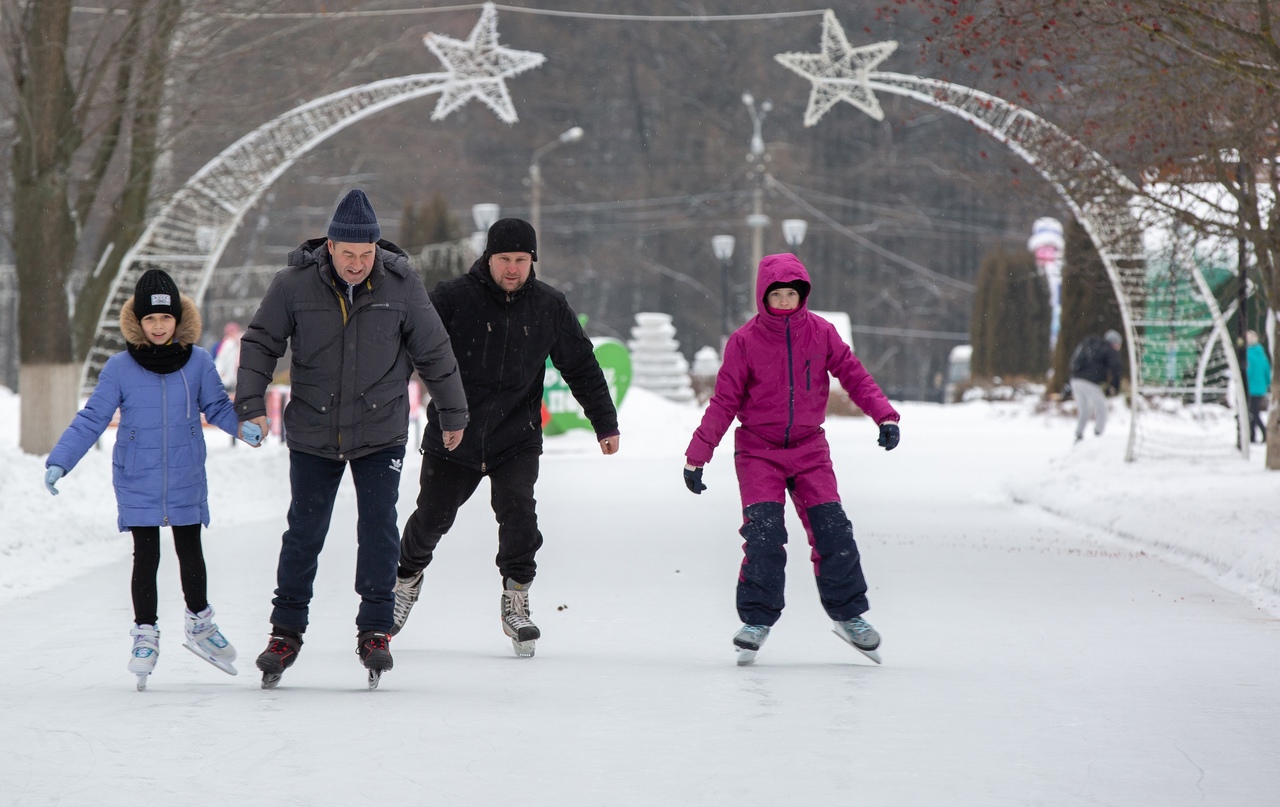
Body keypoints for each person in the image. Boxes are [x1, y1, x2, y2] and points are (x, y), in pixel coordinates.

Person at [234, 188, 468, 688]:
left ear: (376, 249)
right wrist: (251, 405)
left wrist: (453, 414)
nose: (358, 264)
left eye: (366, 254)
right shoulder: (293, 285)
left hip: (380, 430)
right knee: (304, 531)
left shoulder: (403, 286)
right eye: (349, 254)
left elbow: (435, 351)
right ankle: (286, 632)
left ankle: (375, 629)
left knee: (379, 529)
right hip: (314, 430)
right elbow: (260, 342)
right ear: (331, 248)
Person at [391, 217, 620, 658]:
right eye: (504, 259)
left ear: (532, 261)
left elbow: (581, 366)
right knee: (431, 519)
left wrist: (604, 423)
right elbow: (412, 348)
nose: (512, 269)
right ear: (488, 259)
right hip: (455, 433)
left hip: (517, 435)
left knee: (519, 516)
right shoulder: (454, 298)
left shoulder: (549, 306)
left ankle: (516, 599)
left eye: (521, 260)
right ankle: (404, 580)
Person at [682, 253, 900, 666]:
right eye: (777, 295)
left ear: (803, 295)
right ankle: (756, 622)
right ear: (764, 297)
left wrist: (884, 415)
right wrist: (698, 456)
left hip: (809, 449)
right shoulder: (745, 341)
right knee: (764, 535)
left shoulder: (820, 333)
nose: (784, 302)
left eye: (791, 295)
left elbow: (853, 374)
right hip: (758, 451)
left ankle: (849, 616)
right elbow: (724, 402)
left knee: (834, 530)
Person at [45, 269, 248, 690]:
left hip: (186, 473)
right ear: (139, 321)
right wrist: (62, 459)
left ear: (177, 319)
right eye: (150, 319)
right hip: (137, 475)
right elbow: (92, 419)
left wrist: (244, 427)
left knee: (191, 551)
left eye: (166, 318)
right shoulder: (120, 368)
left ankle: (199, 624)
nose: (159, 326)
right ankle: (145, 634)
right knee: (146, 556)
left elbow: (217, 406)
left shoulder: (198, 363)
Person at [1069, 329, 1123, 442]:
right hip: (1091, 382)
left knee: (1084, 410)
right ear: (1114, 342)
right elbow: (1116, 369)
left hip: (1075, 380)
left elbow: (1075, 362)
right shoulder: (1109, 349)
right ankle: (1098, 437)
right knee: (1102, 410)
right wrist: (1114, 386)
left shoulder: (1090, 344)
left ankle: (1078, 435)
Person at [1246, 329, 1271, 444]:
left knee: (1252, 412)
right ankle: (1255, 435)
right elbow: (1267, 372)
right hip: (1261, 388)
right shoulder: (1262, 354)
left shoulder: (1248, 354)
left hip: (1250, 388)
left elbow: (1248, 372)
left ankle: (1257, 434)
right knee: (1254, 412)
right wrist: (1267, 385)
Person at [214, 321, 243, 392]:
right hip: (229, 380)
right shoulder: (229, 344)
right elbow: (221, 360)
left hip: (230, 379)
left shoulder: (235, 343)